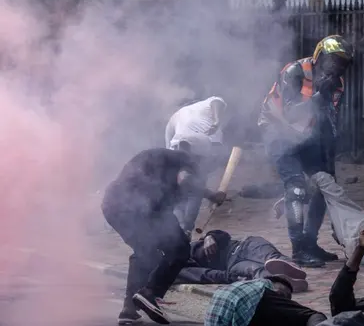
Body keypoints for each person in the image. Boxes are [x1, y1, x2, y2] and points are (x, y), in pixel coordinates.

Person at [258, 35, 354, 267]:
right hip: (278, 130)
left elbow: (327, 120)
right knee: (297, 188)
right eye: (333, 60)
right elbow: (290, 113)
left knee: (324, 185)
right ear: (320, 55)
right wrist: (320, 95)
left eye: (342, 63)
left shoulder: (336, 83)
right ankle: (299, 249)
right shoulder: (295, 72)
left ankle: (311, 243)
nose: (337, 66)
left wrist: (327, 158)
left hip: (306, 135)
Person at [101, 148, 226, 325]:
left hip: (113, 206)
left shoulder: (160, 158)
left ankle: (129, 309)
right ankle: (150, 294)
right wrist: (211, 195)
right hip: (143, 208)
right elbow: (185, 179)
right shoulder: (184, 161)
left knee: (146, 253)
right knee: (180, 249)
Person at [165, 96, 229, 234]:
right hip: (201, 147)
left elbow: (168, 147)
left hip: (178, 147)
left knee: (181, 191)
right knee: (194, 191)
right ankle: (186, 229)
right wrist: (217, 121)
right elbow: (217, 101)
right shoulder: (205, 104)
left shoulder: (174, 117)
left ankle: (180, 228)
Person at [176, 229, 309, 292]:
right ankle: (285, 282)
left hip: (245, 245)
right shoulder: (175, 268)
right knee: (256, 271)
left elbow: (224, 235)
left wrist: (210, 236)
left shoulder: (186, 246)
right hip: (233, 264)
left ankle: (291, 270)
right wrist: (236, 279)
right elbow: (207, 274)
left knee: (270, 257)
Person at [205, 275, 327, 326]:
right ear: (274, 283)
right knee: (310, 316)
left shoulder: (232, 287)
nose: (284, 298)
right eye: (285, 294)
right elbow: (312, 316)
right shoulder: (264, 288)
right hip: (252, 307)